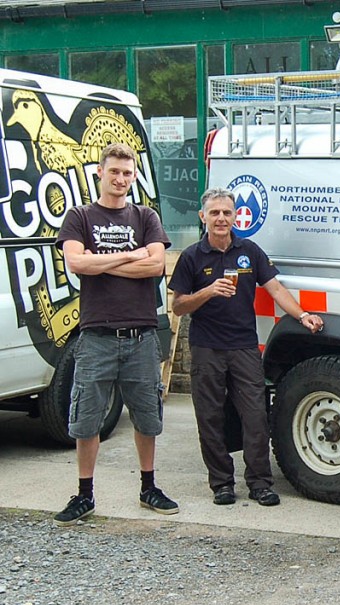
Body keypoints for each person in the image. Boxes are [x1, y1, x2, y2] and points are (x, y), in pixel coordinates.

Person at [168, 188, 324, 507]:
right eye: (215, 213)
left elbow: (275, 289)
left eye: (227, 212)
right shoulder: (192, 256)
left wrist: (302, 315)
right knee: (210, 418)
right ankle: (222, 483)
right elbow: (179, 306)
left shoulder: (249, 250)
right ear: (203, 217)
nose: (221, 218)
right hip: (206, 348)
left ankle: (260, 483)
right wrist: (208, 291)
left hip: (244, 347)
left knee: (255, 416)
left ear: (235, 216)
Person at [53, 142, 177, 525]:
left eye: (127, 173)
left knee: (147, 417)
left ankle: (148, 487)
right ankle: (84, 494)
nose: (120, 179)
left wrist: (101, 263)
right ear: (100, 172)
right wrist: (129, 255)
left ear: (133, 176)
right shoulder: (80, 217)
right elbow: (76, 262)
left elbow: (155, 265)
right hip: (96, 338)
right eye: (114, 172)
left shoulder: (145, 216)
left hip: (141, 337)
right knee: (86, 419)